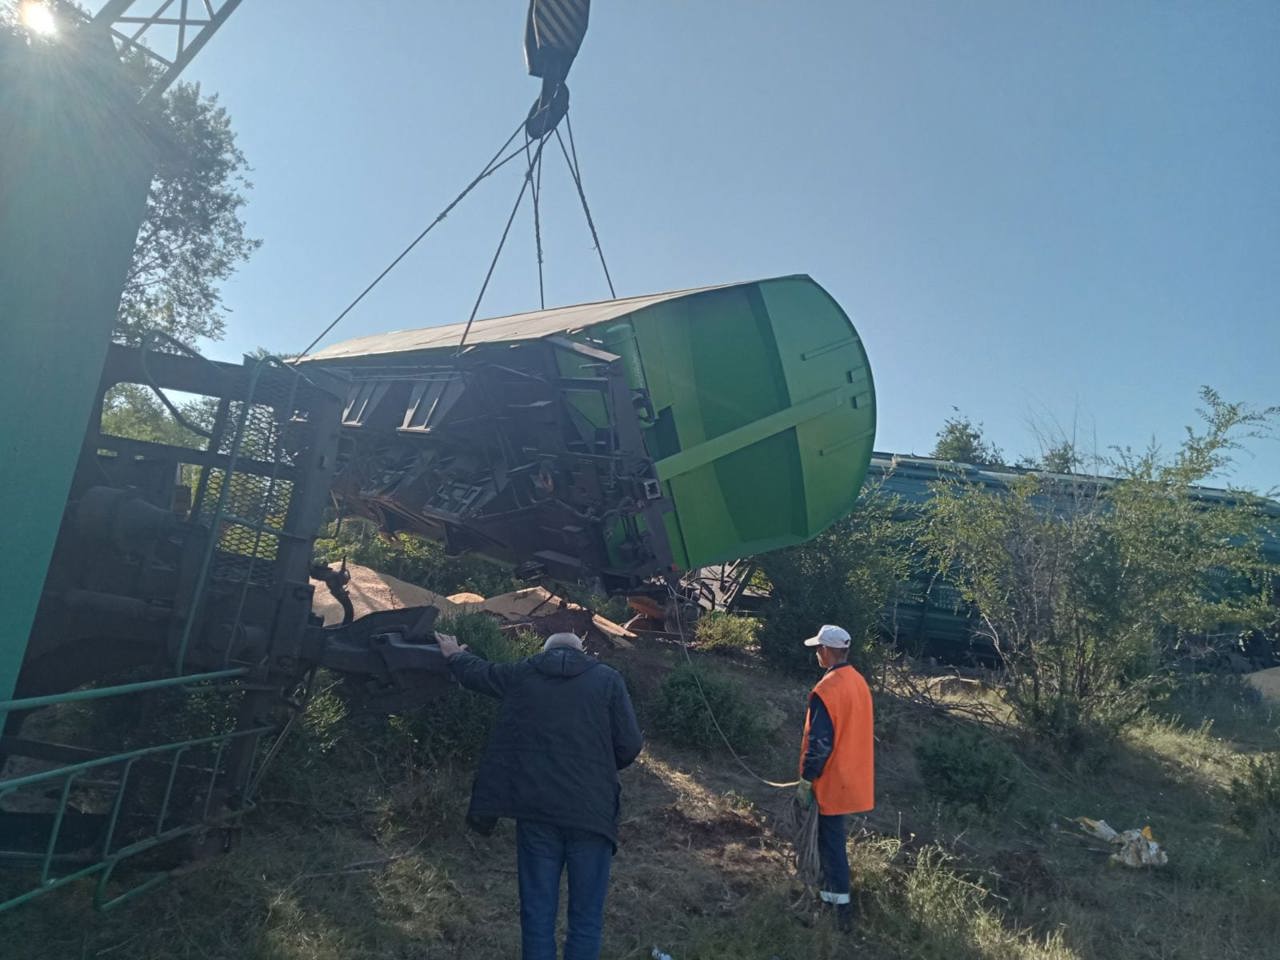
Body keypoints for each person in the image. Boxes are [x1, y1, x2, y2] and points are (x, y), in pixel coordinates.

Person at [434, 629, 643, 960]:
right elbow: (630, 745)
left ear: (544, 651)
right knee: (585, 919)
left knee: (537, 916)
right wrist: (599, 769)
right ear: (583, 651)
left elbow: (482, 674)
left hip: (537, 813)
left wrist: (454, 654)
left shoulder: (525, 673)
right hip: (592, 814)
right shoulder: (608, 680)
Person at [795, 624, 875, 933]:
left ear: (828, 651)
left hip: (831, 781)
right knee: (831, 843)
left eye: (818, 648)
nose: (816, 652)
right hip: (851, 778)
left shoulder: (827, 689)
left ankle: (837, 916)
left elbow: (820, 742)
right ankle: (830, 905)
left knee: (830, 847)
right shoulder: (857, 682)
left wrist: (806, 780)